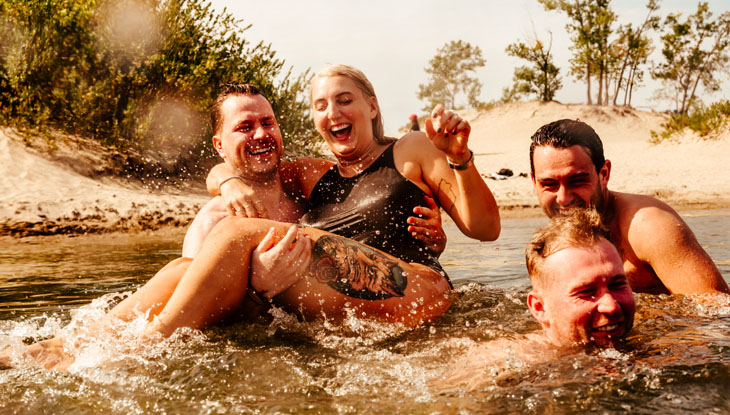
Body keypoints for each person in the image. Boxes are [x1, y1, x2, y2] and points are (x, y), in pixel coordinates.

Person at [438, 209, 635, 390]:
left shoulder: (651, 336)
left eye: (617, 285)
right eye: (586, 292)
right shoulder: (503, 365)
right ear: (539, 308)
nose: (611, 306)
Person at [529, 119, 730, 296]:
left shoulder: (649, 225)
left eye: (577, 181)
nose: (563, 198)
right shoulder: (550, 245)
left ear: (604, 174)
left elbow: (716, 313)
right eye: (549, 184)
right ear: (534, 181)